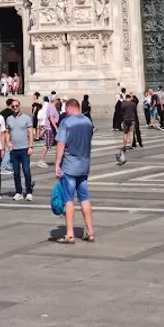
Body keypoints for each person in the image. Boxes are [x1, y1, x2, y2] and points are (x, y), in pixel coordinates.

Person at [54, 98, 94, 243]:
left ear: (69, 108)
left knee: (68, 199)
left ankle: (70, 234)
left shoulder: (66, 122)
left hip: (70, 165)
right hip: (84, 165)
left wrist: (57, 164)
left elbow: (61, 144)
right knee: (84, 198)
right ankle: (90, 232)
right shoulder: (88, 122)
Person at [5, 97, 34, 201]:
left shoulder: (26, 118)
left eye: (17, 106)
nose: (15, 107)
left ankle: (29, 192)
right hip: (14, 149)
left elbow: (30, 132)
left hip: (24, 149)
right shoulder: (9, 119)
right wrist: (8, 143)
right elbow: (7, 132)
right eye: (13, 106)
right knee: (16, 172)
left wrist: (31, 146)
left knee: (26, 171)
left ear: (20, 106)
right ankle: (19, 192)